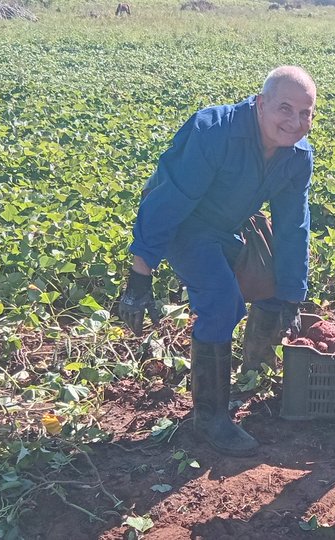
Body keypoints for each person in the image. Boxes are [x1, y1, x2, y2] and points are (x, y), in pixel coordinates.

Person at [118, 66, 317, 457]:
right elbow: (168, 201)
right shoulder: (214, 131)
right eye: (285, 109)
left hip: (230, 223)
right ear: (260, 104)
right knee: (222, 304)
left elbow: (294, 225)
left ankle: (252, 372)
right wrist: (140, 274)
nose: (295, 122)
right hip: (184, 224)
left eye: (306, 113)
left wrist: (294, 294)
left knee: (275, 280)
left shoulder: (297, 157)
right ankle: (210, 416)